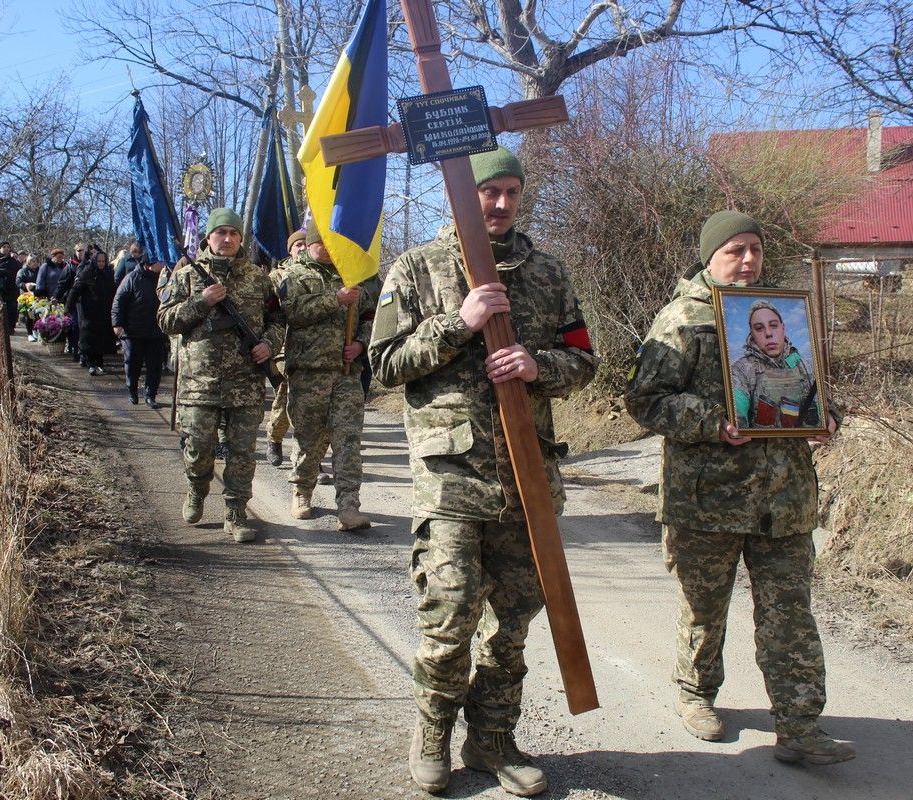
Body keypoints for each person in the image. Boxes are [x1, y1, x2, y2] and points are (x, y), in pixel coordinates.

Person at [370, 147, 597, 796]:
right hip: (451, 478)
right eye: (485, 192)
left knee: (513, 623)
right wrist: (457, 324)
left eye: (509, 193)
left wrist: (537, 366)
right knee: (450, 614)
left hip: (528, 479)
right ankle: (433, 733)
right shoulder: (416, 269)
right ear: (458, 198)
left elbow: (584, 362)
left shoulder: (549, 275)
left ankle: (494, 741)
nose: (498, 204)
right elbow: (384, 364)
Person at [623, 210, 853, 765]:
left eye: (754, 249)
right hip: (708, 499)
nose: (747, 260)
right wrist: (713, 422)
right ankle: (696, 694)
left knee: (790, 611)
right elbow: (644, 399)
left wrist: (825, 418)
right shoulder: (683, 318)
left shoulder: (780, 314)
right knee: (704, 608)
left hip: (783, 500)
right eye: (735, 251)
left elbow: (810, 386)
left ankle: (800, 726)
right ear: (710, 257)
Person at [157, 207, 285, 544]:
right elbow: (166, 320)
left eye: (233, 234)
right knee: (198, 450)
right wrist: (201, 302)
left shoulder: (258, 278)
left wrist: (269, 345)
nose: (227, 239)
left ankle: (235, 514)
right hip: (199, 384)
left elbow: (277, 320)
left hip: (245, 384)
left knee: (242, 455)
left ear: (241, 238)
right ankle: (197, 490)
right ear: (208, 237)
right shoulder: (186, 276)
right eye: (220, 233)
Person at [279, 221, 376, 531]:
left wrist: (360, 342)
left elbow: (371, 318)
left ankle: (348, 506)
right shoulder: (294, 275)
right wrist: (335, 299)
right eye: (324, 244)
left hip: (347, 373)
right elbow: (292, 313)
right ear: (309, 244)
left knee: (348, 440)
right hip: (309, 374)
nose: (330, 250)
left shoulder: (352, 275)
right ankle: (301, 492)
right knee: (310, 439)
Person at [730, 301, 820, 429]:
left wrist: (830, 419)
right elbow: (737, 414)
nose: (768, 333)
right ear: (752, 334)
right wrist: (734, 427)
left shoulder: (805, 365)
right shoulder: (742, 369)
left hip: (797, 447)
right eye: (759, 328)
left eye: (773, 325)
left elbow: (823, 405)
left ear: (783, 328)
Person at [264, 229, 306, 467]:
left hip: (310, 347)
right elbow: (270, 312)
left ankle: (307, 453)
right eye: (296, 244)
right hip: (283, 346)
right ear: (289, 250)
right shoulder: (277, 276)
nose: (301, 248)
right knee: (286, 394)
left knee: (306, 401)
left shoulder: (316, 273)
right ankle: (275, 439)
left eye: (304, 243)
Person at [113, 255, 167, 407]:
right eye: (160, 262)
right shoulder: (131, 278)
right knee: (132, 365)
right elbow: (119, 302)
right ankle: (132, 391)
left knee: (155, 366)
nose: (163, 264)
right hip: (133, 331)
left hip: (156, 331)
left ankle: (150, 395)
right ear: (149, 263)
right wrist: (117, 323)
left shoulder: (164, 279)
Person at [68, 249, 115, 375]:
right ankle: (91, 363)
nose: (101, 264)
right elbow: (75, 290)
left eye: (103, 261)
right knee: (89, 339)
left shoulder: (108, 273)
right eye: (98, 261)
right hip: (89, 312)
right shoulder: (87, 273)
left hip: (104, 311)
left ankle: (100, 363)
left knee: (101, 340)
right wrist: (69, 307)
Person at [0, 241, 21, 331]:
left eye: (8, 247)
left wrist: (17, 259)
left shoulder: (13, 260)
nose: (6, 249)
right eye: (4, 247)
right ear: (0, 248)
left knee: (12, 309)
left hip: (12, 288)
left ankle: (10, 327)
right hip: (0, 288)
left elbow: (19, 270)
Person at [16, 254, 41, 341]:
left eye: (36, 261)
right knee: (29, 315)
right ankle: (30, 333)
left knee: (39, 314)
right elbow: (18, 282)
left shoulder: (40, 270)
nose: (34, 263)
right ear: (28, 262)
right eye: (32, 261)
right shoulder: (22, 271)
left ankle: (37, 331)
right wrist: (26, 285)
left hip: (39, 295)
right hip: (27, 296)